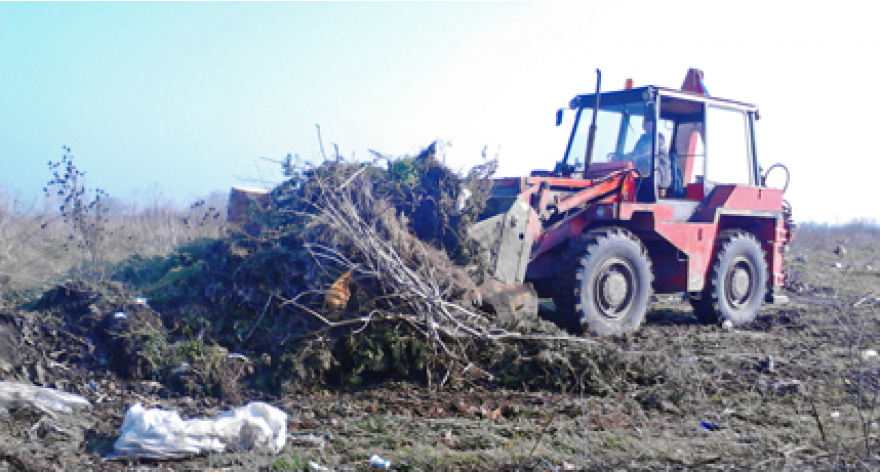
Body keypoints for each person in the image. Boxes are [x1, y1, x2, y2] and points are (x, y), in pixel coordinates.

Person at [609, 116, 672, 197]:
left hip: (657, 178)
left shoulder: (658, 139)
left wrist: (623, 158)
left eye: (647, 122)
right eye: (644, 121)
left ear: (654, 123)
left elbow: (642, 154)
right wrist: (620, 157)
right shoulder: (643, 139)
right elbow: (635, 153)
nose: (644, 124)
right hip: (643, 175)